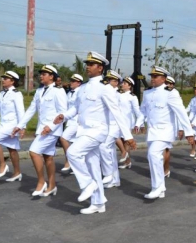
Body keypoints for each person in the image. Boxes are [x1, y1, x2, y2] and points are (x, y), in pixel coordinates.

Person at [53, 51, 136, 214]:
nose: (88, 67)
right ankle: (98, 203)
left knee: (73, 153)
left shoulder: (105, 88)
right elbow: (76, 108)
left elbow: (117, 112)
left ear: (100, 68)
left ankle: (87, 184)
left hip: (97, 131)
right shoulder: (83, 88)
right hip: (83, 131)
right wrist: (64, 116)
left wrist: (128, 136)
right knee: (92, 167)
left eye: (91, 65)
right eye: (87, 64)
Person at [135, 66, 194, 199]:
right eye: (152, 76)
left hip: (165, 131)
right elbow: (143, 109)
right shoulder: (148, 92)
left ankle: (157, 187)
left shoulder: (170, 93)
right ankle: (160, 189)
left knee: (153, 154)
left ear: (164, 79)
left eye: (156, 77)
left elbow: (181, 113)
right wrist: (139, 122)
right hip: (153, 132)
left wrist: (188, 132)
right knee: (152, 157)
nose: (153, 79)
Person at [12, 65, 67, 196]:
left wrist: (51, 127)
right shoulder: (39, 91)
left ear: (52, 76)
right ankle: (52, 185)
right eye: (40, 74)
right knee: (48, 158)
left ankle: (41, 182)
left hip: (52, 130)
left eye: (44, 74)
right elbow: (31, 110)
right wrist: (20, 125)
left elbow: (63, 113)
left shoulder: (58, 91)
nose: (41, 76)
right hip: (41, 129)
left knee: (33, 152)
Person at [99, 70, 123, 189]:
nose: (109, 83)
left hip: (114, 126)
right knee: (111, 153)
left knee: (103, 146)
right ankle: (114, 179)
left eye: (112, 81)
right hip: (106, 125)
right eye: (108, 80)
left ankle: (108, 174)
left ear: (117, 82)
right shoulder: (106, 91)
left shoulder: (117, 94)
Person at [59, 73, 83, 173]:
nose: (71, 83)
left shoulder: (81, 92)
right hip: (70, 121)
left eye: (73, 81)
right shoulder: (69, 93)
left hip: (77, 121)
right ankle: (77, 165)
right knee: (74, 143)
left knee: (63, 138)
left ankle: (69, 160)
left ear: (79, 83)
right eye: (71, 81)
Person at [117, 76, 142, 169]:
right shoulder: (118, 94)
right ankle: (127, 159)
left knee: (126, 141)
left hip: (127, 121)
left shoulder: (132, 97)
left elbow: (137, 112)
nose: (122, 85)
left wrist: (139, 124)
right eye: (122, 83)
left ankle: (126, 159)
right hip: (118, 121)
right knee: (118, 139)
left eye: (124, 83)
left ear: (129, 86)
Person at [185, 83, 196, 158]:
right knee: (192, 135)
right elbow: (189, 109)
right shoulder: (193, 99)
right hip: (193, 121)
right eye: (195, 89)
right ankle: (193, 149)